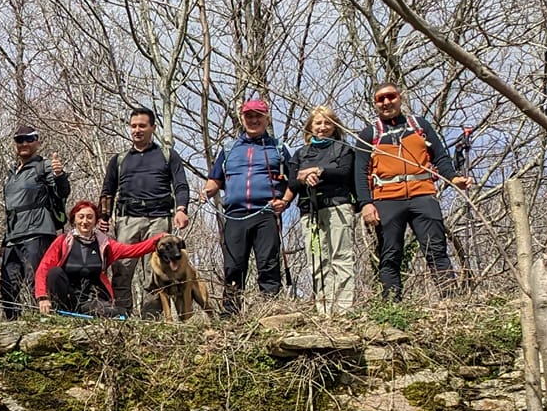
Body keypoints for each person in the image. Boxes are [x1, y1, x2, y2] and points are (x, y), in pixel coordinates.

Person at [359, 83, 471, 300]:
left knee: (436, 249)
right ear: (375, 104)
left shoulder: (419, 126)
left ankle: (450, 301)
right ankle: (391, 304)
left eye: (390, 97)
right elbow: (360, 173)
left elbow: (440, 156)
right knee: (390, 254)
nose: (386, 102)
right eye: (380, 99)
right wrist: (366, 203)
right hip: (387, 198)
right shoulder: (369, 134)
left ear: (400, 98)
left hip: (422, 194)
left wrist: (454, 178)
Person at [99, 109, 193, 314]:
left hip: (159, 219)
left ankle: (150, 318)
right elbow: (108, 190)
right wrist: (104, 217)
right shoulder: (120, 159)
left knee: (155, 272)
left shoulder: (167, 155)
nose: (137, 130)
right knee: (122, 269)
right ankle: (121, 316)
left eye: (142, 126)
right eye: (133, 126)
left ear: (153, 128)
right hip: (127, 220)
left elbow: (181, 185)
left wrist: (181, 209)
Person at [203, 99, 291, 312]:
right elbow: (215, 179)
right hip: (235, 215)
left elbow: (294, 180)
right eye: (249, 116)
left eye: (258, 116)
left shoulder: (278, 148)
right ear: (242, 119)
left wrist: (285, 201)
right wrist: (207, 190)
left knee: (268, 263)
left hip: (266, 213)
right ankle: (231, 313)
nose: (253, 120)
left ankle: (271, 310)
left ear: (266, 118)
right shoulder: (229, 148)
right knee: (233, 266)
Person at [287, 107, 365, 315]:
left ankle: (343, 309)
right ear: (310, 127)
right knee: (316, 260)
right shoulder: (300, 154)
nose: (322, 127)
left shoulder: (344, 149)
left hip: (338, 206)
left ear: (335, 126)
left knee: (341, 256)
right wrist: (303, 178)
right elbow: (292, 182)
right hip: (310, 210)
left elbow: (345, 172)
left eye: (327, 123)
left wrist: (319, 171)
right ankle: (324, 309)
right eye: (318, 123)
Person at [34, 201, 164, 317]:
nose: (85, 221)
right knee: (55, 272)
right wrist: (42, 297)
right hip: (67, 297)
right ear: (74, 220)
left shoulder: (104, 244)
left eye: (90, 217)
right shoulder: (62, 241)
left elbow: (132, 250)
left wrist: (159, 239)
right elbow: (43, 268)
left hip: (92, 300)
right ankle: (59, 312)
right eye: (81, 217)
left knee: (119, 313)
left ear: (95, 221)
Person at [0, 127, 70, 318]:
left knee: (36, 280)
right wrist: (4, 240)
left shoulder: (44, 166)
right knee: (7, 285)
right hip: (13, 236)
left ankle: (43, 320)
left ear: (37, 142)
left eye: (28, 139)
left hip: (38, 232)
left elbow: (62, 192)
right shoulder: (11, 172)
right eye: (19, 140)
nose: (24, 144)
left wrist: (59, 175)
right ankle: (12, 325)